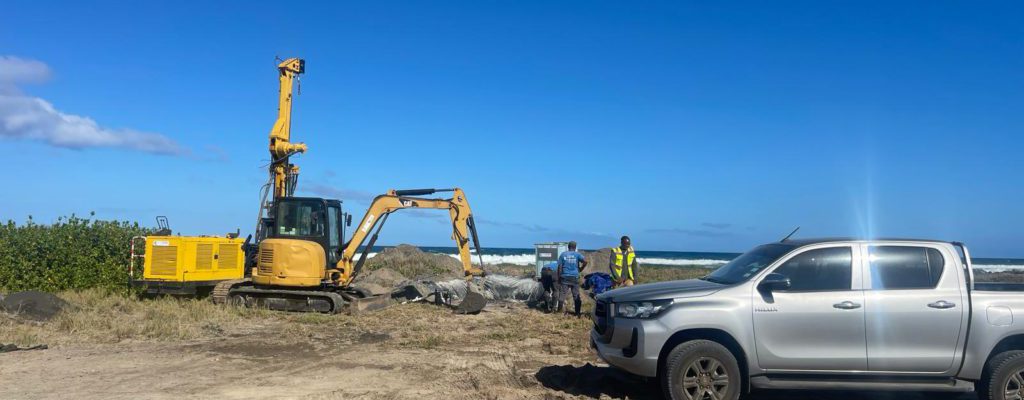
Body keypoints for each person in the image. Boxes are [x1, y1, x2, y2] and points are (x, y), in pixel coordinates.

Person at [556, 241, 588, 317]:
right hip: (574, 277)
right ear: (575, 247)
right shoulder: (577, 255)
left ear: (568, 247)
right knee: (576, 295)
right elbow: (585, 261)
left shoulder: (563, 254)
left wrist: (559, 277)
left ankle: (559, 311)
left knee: (562, 294)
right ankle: (577, 313)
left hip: (565, 277)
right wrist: (581, 269)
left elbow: (559, 267)